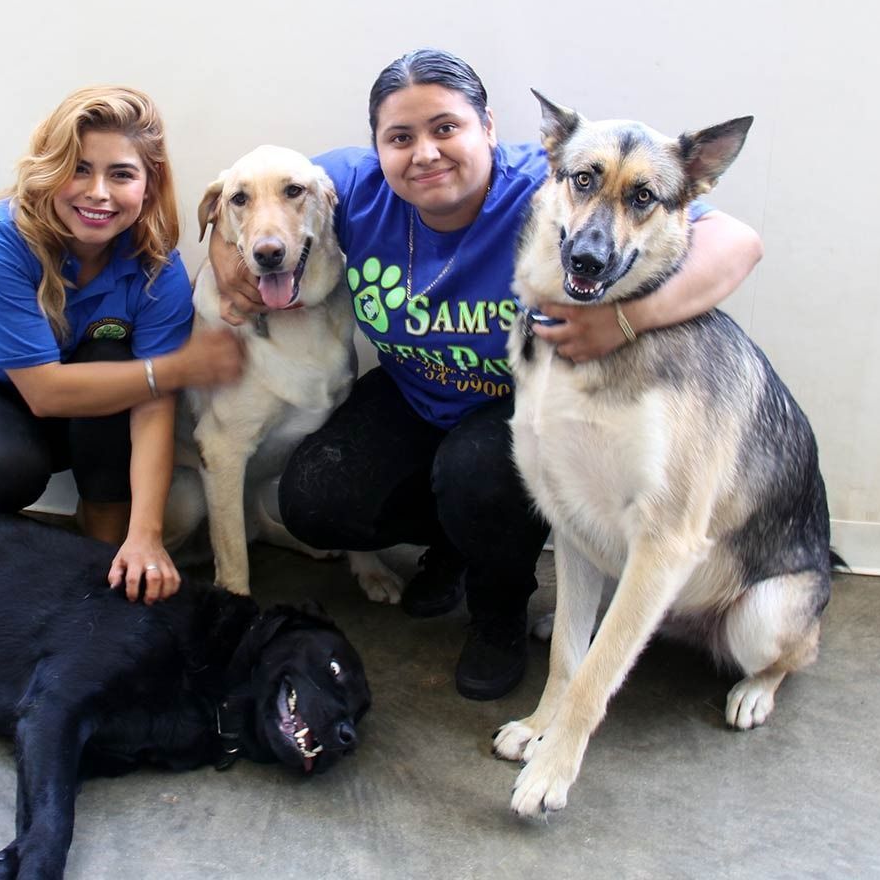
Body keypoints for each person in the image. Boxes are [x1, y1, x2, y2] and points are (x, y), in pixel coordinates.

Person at [209, 50, 763, 699]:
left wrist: (623, 322)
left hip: (513, 403)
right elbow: (251, 196)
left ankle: (497, 608)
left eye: (445, 128)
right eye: (400, 137)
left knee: (476, 475)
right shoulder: (346, 186)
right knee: (316, 500)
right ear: (377, 147)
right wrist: (227, 261)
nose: (424, 153)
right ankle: (451, 544)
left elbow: (737, 242)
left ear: (488, 129)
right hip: (414, 391)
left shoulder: (549, 184)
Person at [0, 86, 242, 605]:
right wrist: (178, 368)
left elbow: (151, 405)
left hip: (64, 402)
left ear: (149, 186)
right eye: (79, 169)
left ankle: (104, 545)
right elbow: (46, 393)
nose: (98, 192)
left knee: (112, 363)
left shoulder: (155, 263)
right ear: (48, 171)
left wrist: (145, 535)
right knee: (5, 470)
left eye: (121, 174)